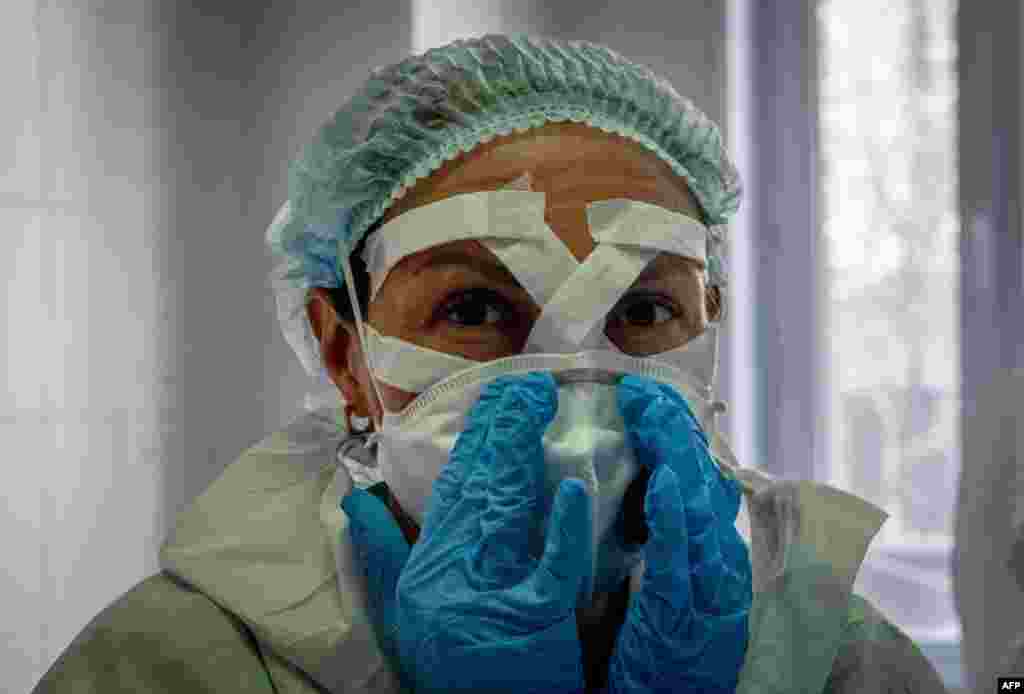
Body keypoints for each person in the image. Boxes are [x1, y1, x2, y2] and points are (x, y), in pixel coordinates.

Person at [32, 34, 947, 693]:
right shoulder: (174, 665)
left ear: (712, 320)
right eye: (473, 308)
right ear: (343, 352)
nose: (574, 400)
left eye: (645, 308)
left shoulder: (839, 657)